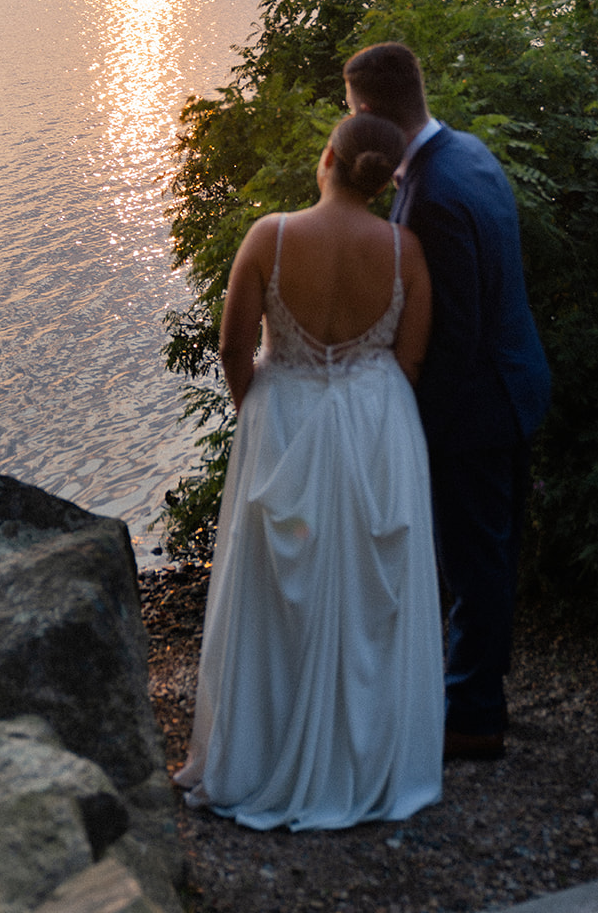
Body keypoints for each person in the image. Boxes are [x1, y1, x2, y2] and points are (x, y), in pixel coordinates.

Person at [173, 113, 444, 830]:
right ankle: (367, 765)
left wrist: (257, 413)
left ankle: (258, 756)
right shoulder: (403, 250)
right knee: (367, 592)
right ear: (386, 179)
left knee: (270, 590)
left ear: (326, 159)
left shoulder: (271, 237)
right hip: (376, 422)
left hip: (284, 416)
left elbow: (233, 347)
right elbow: (409, 359)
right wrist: (370, 416)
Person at [343, 42, 551, 761]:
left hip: (477, 402)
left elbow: (453, 333)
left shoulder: (429, 196)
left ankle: (471, 717)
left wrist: (410, 422)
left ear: (365, 111)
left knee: (472, 560)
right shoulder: (468, 151)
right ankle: (482, 687)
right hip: (517, 379)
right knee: (492, 549)